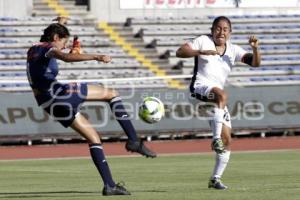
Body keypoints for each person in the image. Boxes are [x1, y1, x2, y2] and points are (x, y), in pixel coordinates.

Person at [26, 23, 157, 196]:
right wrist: (97, 56)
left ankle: (110, 186)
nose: (64, 46)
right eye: (63, 42)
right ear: (56, 38)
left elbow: (57, 52)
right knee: (112, 94)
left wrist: (61, 22)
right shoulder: (50, 48)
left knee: (94, 138)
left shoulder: (34, 48)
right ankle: (134, 140)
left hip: (46, 103)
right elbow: (62, 56)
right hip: (57, 94)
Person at [176, 16, 261, 190]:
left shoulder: (233, 49)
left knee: (227, 139)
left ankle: (215, 179)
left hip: (215, 101)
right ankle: (215, 140)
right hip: (199, 90)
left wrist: (255, 48)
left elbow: (255, 63)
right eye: (218, 28)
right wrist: (201, 52)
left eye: (225, 29)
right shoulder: (203, 40)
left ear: (230, 32)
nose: (221, 32)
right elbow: (180, 52)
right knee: (222, 95)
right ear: (212, 29)